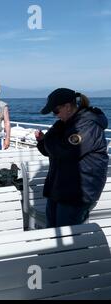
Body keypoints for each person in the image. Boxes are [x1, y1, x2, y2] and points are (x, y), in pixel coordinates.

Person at [35, 88, 109, 228]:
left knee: (69, 238)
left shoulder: (87, 125)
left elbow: (65, 151)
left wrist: (49, 138)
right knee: (53, 231)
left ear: (68, 107)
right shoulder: (66, 124)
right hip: (60, 188)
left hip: (78, 192)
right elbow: (51, 151)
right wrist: (42, 141)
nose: (55, 115)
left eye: (56, 111)